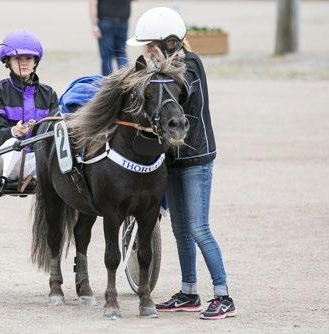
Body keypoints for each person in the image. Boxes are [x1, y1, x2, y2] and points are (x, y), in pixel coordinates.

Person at [127, 7, 236, 320]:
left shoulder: (190, 65)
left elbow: (178, 97)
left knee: (199, 228)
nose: (146, 52)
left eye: (150, 46)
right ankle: (189, 292)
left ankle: (223, 295)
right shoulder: (163, 70)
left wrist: (155, 76)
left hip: (196, 159)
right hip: (172, 160)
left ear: (168, 43)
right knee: (180, 230)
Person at [0, 29, 58, 197]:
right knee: (12, 144)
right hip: (8, 160)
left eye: (28, 58)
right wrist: (13, 132)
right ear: (8, 61)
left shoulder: (49, 93)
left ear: (35, 62)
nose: (23, 63)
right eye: (17, 58)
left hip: (38, 162)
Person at [89, 0, 131, 76]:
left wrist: (94, 26)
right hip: (122, 21)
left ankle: (107, 83)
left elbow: (92, 3)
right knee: (121, 53)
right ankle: (126, 82)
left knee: (107, 56)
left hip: (106, 21)